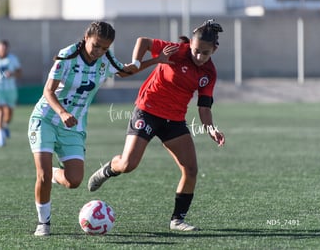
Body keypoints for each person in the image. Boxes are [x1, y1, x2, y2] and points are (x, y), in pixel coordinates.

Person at [87, 19, 226, 231]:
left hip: (174, 120)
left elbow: (204, 107)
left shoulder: (209, 73)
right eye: (196, 50)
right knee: (128, 164)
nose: (198, 56)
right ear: (191, 44)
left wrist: (211, 129)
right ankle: (107, 170)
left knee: (190, 170)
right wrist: (135, 62)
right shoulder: (176, 51)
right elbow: (143, 41)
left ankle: (177, 220)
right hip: (148, 110)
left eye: (205, 53)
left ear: (215, 50)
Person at [28, 21, 140, 236]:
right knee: (41, 174)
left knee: (74, 181)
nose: (99, 51)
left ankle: (53, 174)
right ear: (87, 37)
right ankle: (44, 223)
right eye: (96, 45)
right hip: (47, 119)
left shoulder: (105, 59)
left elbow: (126, 71)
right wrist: (62, 112)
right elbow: (48, 91)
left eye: (105, 48)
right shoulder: (68, 55)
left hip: (74, 125)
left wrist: (157, 60)